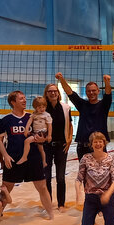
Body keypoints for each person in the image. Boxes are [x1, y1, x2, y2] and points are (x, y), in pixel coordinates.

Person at [0, 91, 54, 220]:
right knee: (6, 187)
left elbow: (43, 133)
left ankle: (51, 214)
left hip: (33, 157)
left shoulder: (32, 116)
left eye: (24, 98)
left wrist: (42, 139)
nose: (24, 100)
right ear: (13, 102)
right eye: (21, 99)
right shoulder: (5, 120)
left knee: (42, 186)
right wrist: (5, 155)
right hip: (13, 157)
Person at [55, 72, 112, 160]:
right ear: (86, 92)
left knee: (99, 172)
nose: (91, 92)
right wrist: (61, 79)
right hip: (82, 146)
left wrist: (107, 82)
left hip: (99, 145)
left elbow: (108, 94)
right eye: (89, 91)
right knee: (84, 172)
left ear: (98, 91)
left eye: (94, 90)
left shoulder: (104, 105)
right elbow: (69, 92)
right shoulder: (82, 104)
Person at [77, 132, 114, 225]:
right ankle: (91, 220)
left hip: (107, 197)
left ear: (104, 143)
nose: (98, 144)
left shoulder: (111, 158)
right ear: (91, 144)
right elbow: (79, 179)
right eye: (95, 142)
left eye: (100, 142)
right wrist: (78, 194)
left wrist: (107, 194)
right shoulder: (85, 158)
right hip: (91, 198)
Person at [43, 83, 73, 212]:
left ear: (58, 92)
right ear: (46, 93)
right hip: (46, 146)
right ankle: (48, 203)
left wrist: (70, 140)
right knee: (47, 176)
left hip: (61, 146)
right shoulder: (42, 108)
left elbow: (70, 125)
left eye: (55, 91)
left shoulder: (66, 107)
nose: (53, 93)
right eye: (50, 91)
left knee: (60, 177)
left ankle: (61, 204)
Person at [17, 97, 52, 167]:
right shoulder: (34, 114)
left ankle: (24, 157)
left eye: (43, 107)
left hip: (42, 133)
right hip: (36, 132)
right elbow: (29, 121)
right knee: (41, 149)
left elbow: (49, 125)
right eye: (39, 107)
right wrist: (26, 129)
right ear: (35, 107)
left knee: (27, 141)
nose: (42, 109)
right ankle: (44, 162)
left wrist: (49, 135)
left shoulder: (46, 115)